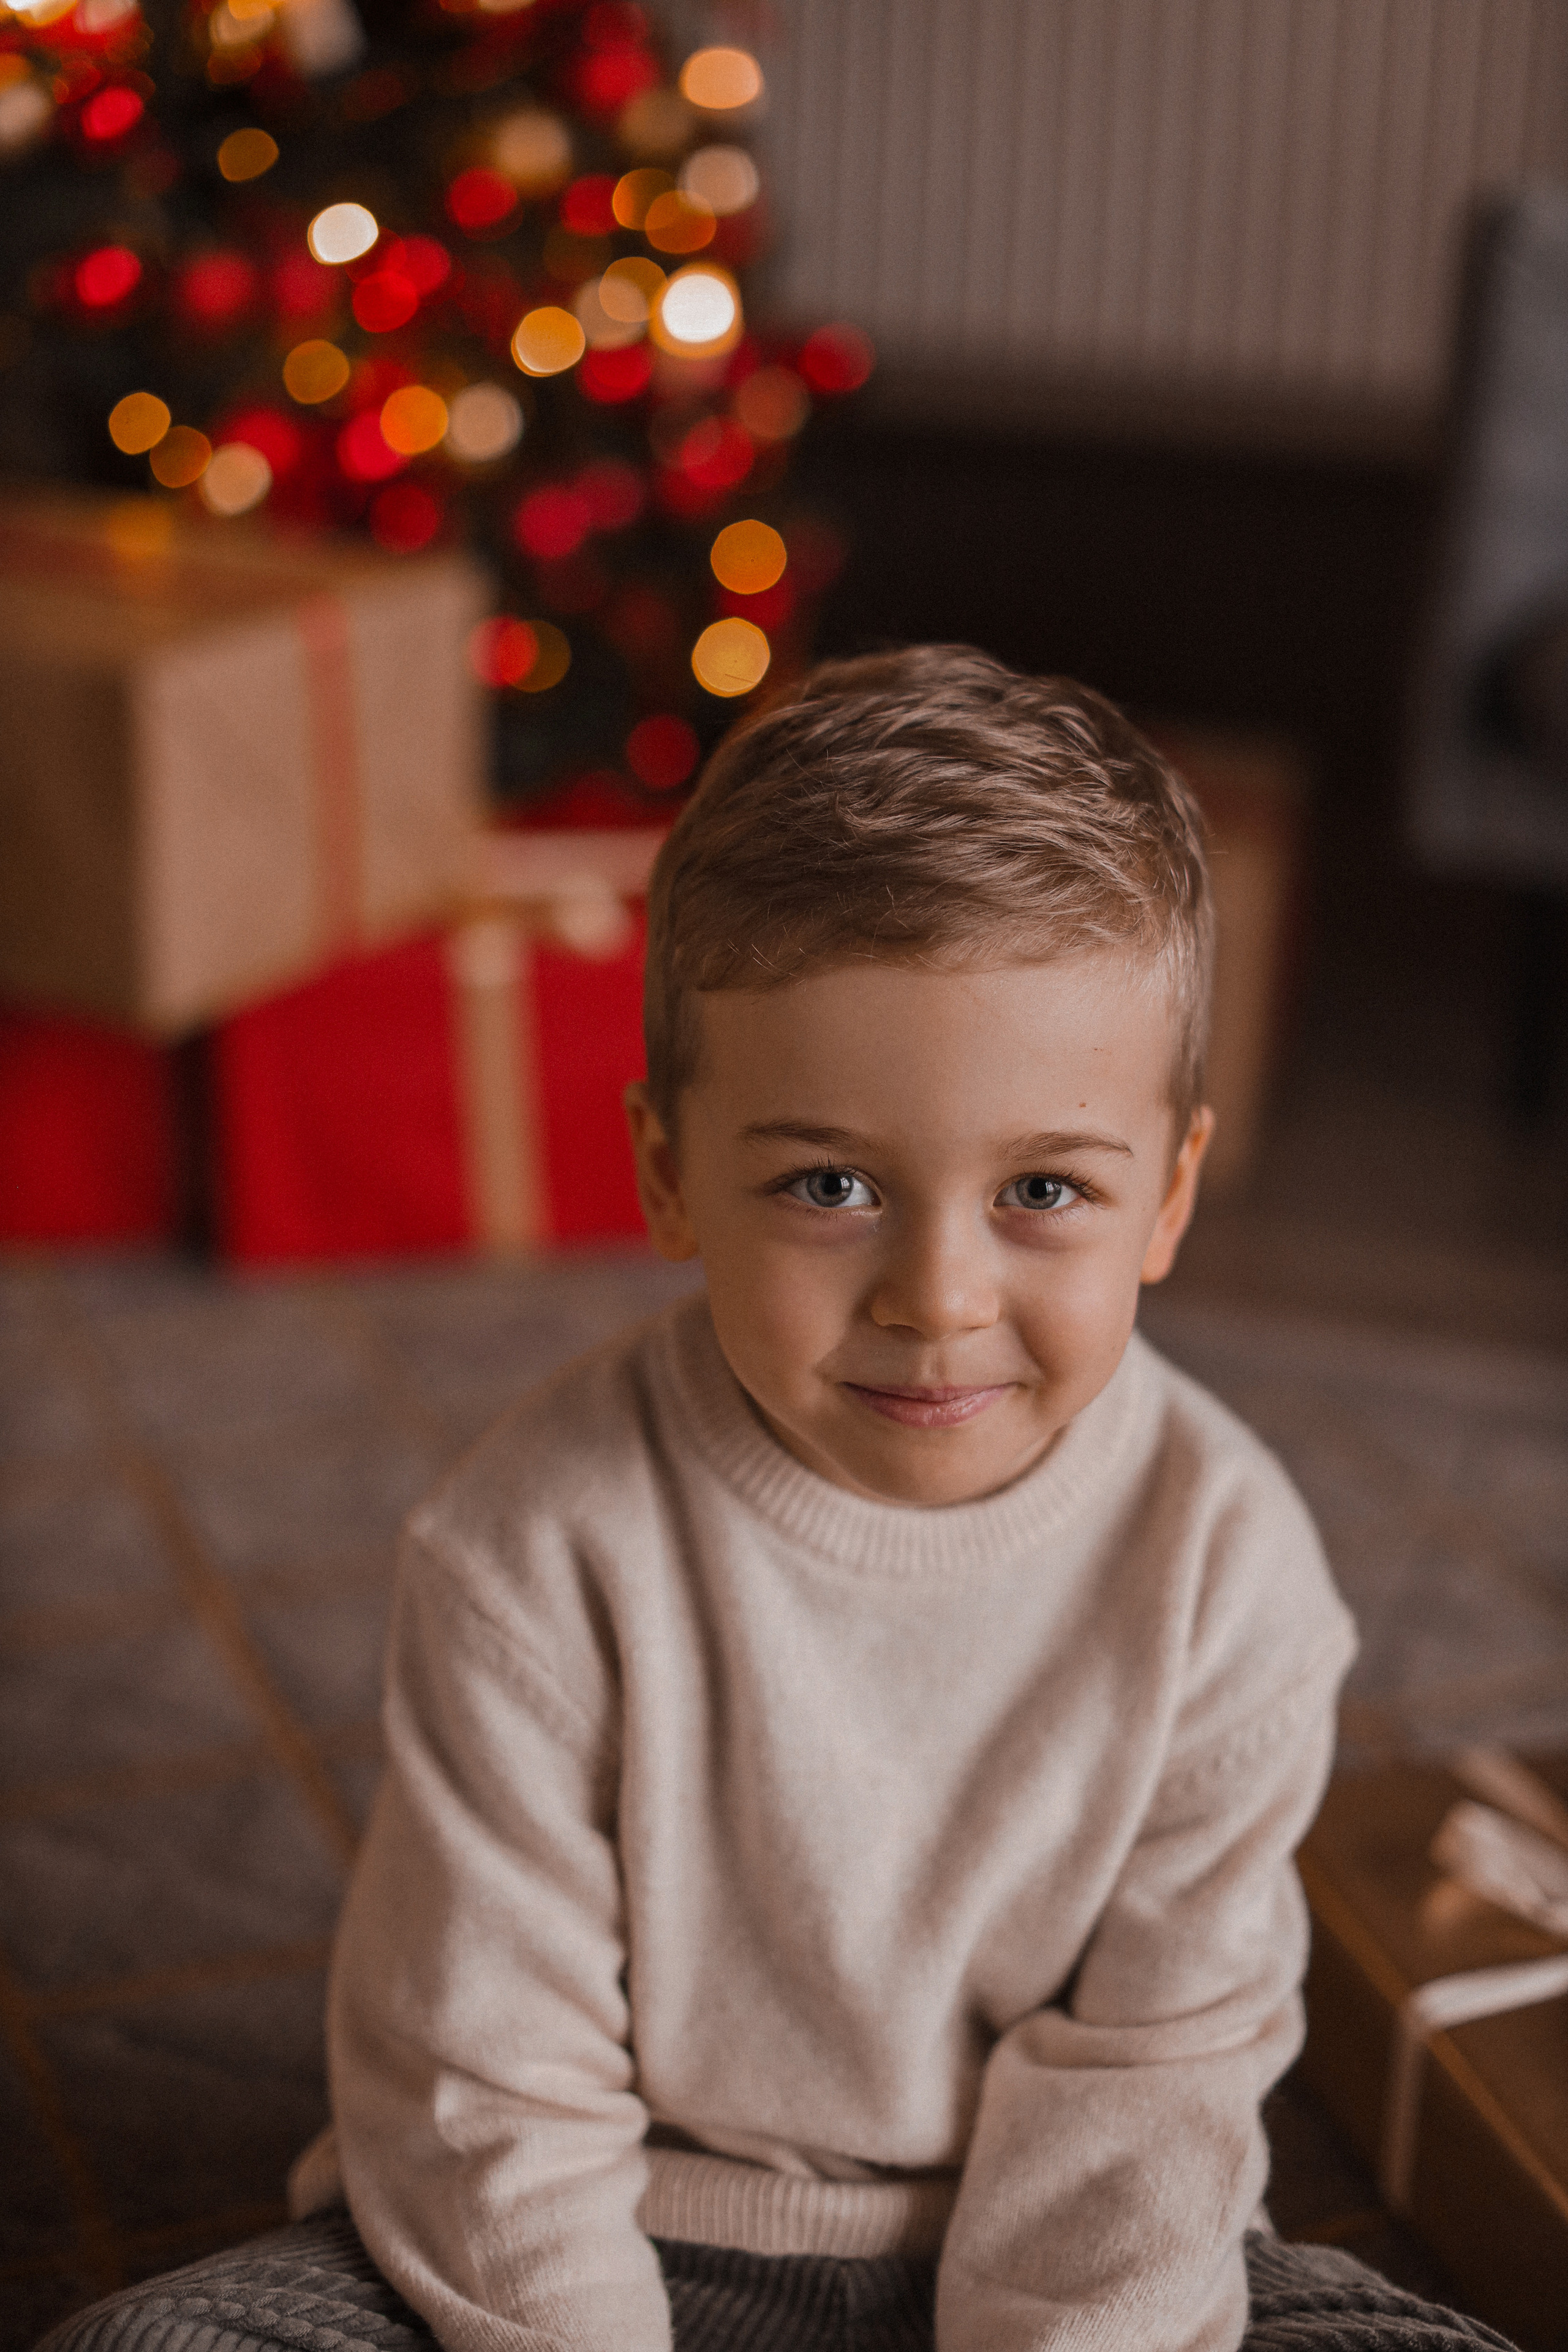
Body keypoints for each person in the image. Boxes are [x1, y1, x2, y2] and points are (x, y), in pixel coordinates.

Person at [40, 649, 1517, 2352]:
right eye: (829, 1184)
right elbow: (487, 2080)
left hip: (1061, 2257)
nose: (938, 1295)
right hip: (604, 2237)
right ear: (667, 1169)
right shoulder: (531, 1541)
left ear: (1168, 1197)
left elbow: (1157, 2077)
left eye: (1045, 1188)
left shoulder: (1230, 1568)